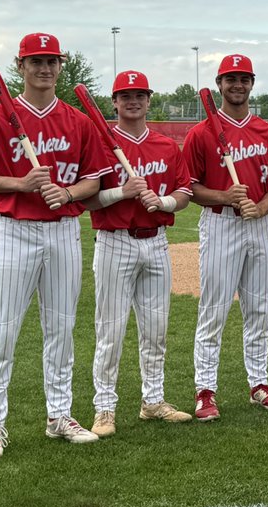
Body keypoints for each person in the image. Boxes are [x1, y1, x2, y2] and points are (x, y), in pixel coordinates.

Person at [0, 32, 112, 460]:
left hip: (63, 230)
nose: (44, 68)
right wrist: (19, 184)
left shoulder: (78, 121)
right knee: (3, 330)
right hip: (15, 230)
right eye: (36, 61)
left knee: (61, 329)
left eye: (52, 61)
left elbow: (94, 180)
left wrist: (67, 194)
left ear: (61, 66)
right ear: (20, 66)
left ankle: (59, 415)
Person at [83, 70, 194, 437]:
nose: (133, 101)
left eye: (140, 95)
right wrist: (121, 193)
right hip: (115, 240)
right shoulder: (99, 142)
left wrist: (162, 201)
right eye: (125, 95)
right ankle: (104, 408)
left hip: (157, 240)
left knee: (156, 329)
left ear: (149, 100)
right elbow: (86, 199)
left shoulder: (165, 145)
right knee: (111, 330)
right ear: (114, 102)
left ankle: (153, 401)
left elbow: (184, 193)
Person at [184, 54, 268, 421]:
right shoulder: (202, 133)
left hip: (257, 225)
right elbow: (190, 187)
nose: (237, 85)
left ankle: (259, 383)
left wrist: (261, 208)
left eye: (243, 79)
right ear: (219, 85)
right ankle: (205, 390)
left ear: (252, 83)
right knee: (214, 309)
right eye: (230, 79)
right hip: (220, 224)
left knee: (259, 309)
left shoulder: (267, 132)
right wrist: (224, 197)